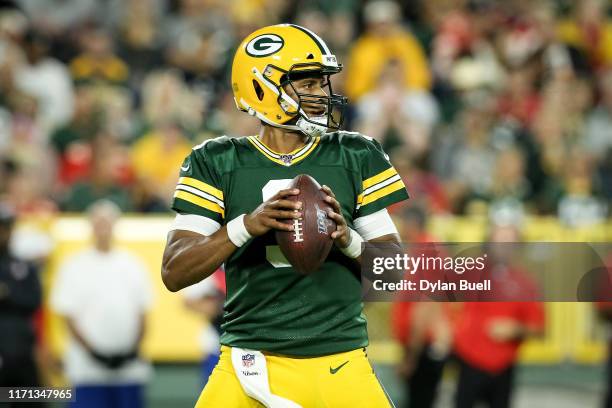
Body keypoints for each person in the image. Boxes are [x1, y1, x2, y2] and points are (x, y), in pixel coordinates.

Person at [162, 24, 409, 407]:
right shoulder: (217, 161)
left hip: (339, 361)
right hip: (249, 361)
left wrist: (348, 239)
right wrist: (245, 226)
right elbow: (175, 272)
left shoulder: (355, 154)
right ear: (262, 87)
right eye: (307, 85)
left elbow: (395, 273)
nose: (321, 96)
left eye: (321, 84)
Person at [50, 200, 153, 408]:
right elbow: (68, 317)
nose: (103, 228)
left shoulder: (132, 264)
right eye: (98, 222)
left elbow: (143, 312)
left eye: (107, 222)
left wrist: (131, 350)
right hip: (86, 371)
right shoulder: (74, 265)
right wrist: (94, 353)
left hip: (129, 371)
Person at [0, 203, 43, 408]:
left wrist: (8, 294)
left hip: (21, 353)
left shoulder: (22, 265)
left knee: (30, 401)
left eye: (5, 227)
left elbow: (35, 300)